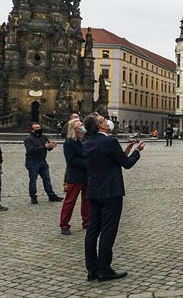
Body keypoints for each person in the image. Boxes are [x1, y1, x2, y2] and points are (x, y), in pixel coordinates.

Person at [83, 113, 144, 282]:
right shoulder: (110, 141)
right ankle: (104, 269)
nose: (108, 122)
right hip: (111, 192)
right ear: (101, 126)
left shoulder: (88, 143)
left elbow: (107, 161)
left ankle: (92, 269)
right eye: (104, 120)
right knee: (108, 230)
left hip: (94, 192)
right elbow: (127, 164)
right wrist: (137, 151)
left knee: (92, 231)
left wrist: (124, 152)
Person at [59, 118, 90, 235]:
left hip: (87, 175)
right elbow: (71, 160)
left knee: (87, 200)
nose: (82, 126)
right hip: (75, 175)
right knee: (70, 201)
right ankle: (64, 224)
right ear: (74, 128)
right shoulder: (69, 142)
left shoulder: (86, 140)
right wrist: (88, 163)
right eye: (79, 124)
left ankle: (87, 221)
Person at [23, 123, 63, 203]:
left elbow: (48, 148)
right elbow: (31, 150)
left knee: (47, 179)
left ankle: (51, 196)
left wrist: (51, 146)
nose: (39, 129)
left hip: (42, 161)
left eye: (39, 127)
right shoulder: (28, 139)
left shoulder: (43, 137)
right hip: (32, 162)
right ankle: (33, 197)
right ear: (32, 130)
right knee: (33, 180)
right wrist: (44, 147)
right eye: (37, 128)